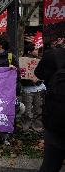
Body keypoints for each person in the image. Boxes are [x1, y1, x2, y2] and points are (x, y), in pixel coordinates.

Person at [34, 43, 65, 172]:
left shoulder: (54, 55)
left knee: (50, 165)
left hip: (57, 123)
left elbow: (38, 73)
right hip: (57, 118)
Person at [20, 43, 45, 132]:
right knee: (27, 110)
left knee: (38, 109)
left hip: (39, 88)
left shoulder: (40, 60)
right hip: (28, 89)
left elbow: (43, 73)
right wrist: (30, 80)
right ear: (30, 51)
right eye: (35, 49)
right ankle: (26, 128)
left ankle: (37, 127)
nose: (37, 51)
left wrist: (38, 79)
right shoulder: (22, 61)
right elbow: (22, 77)